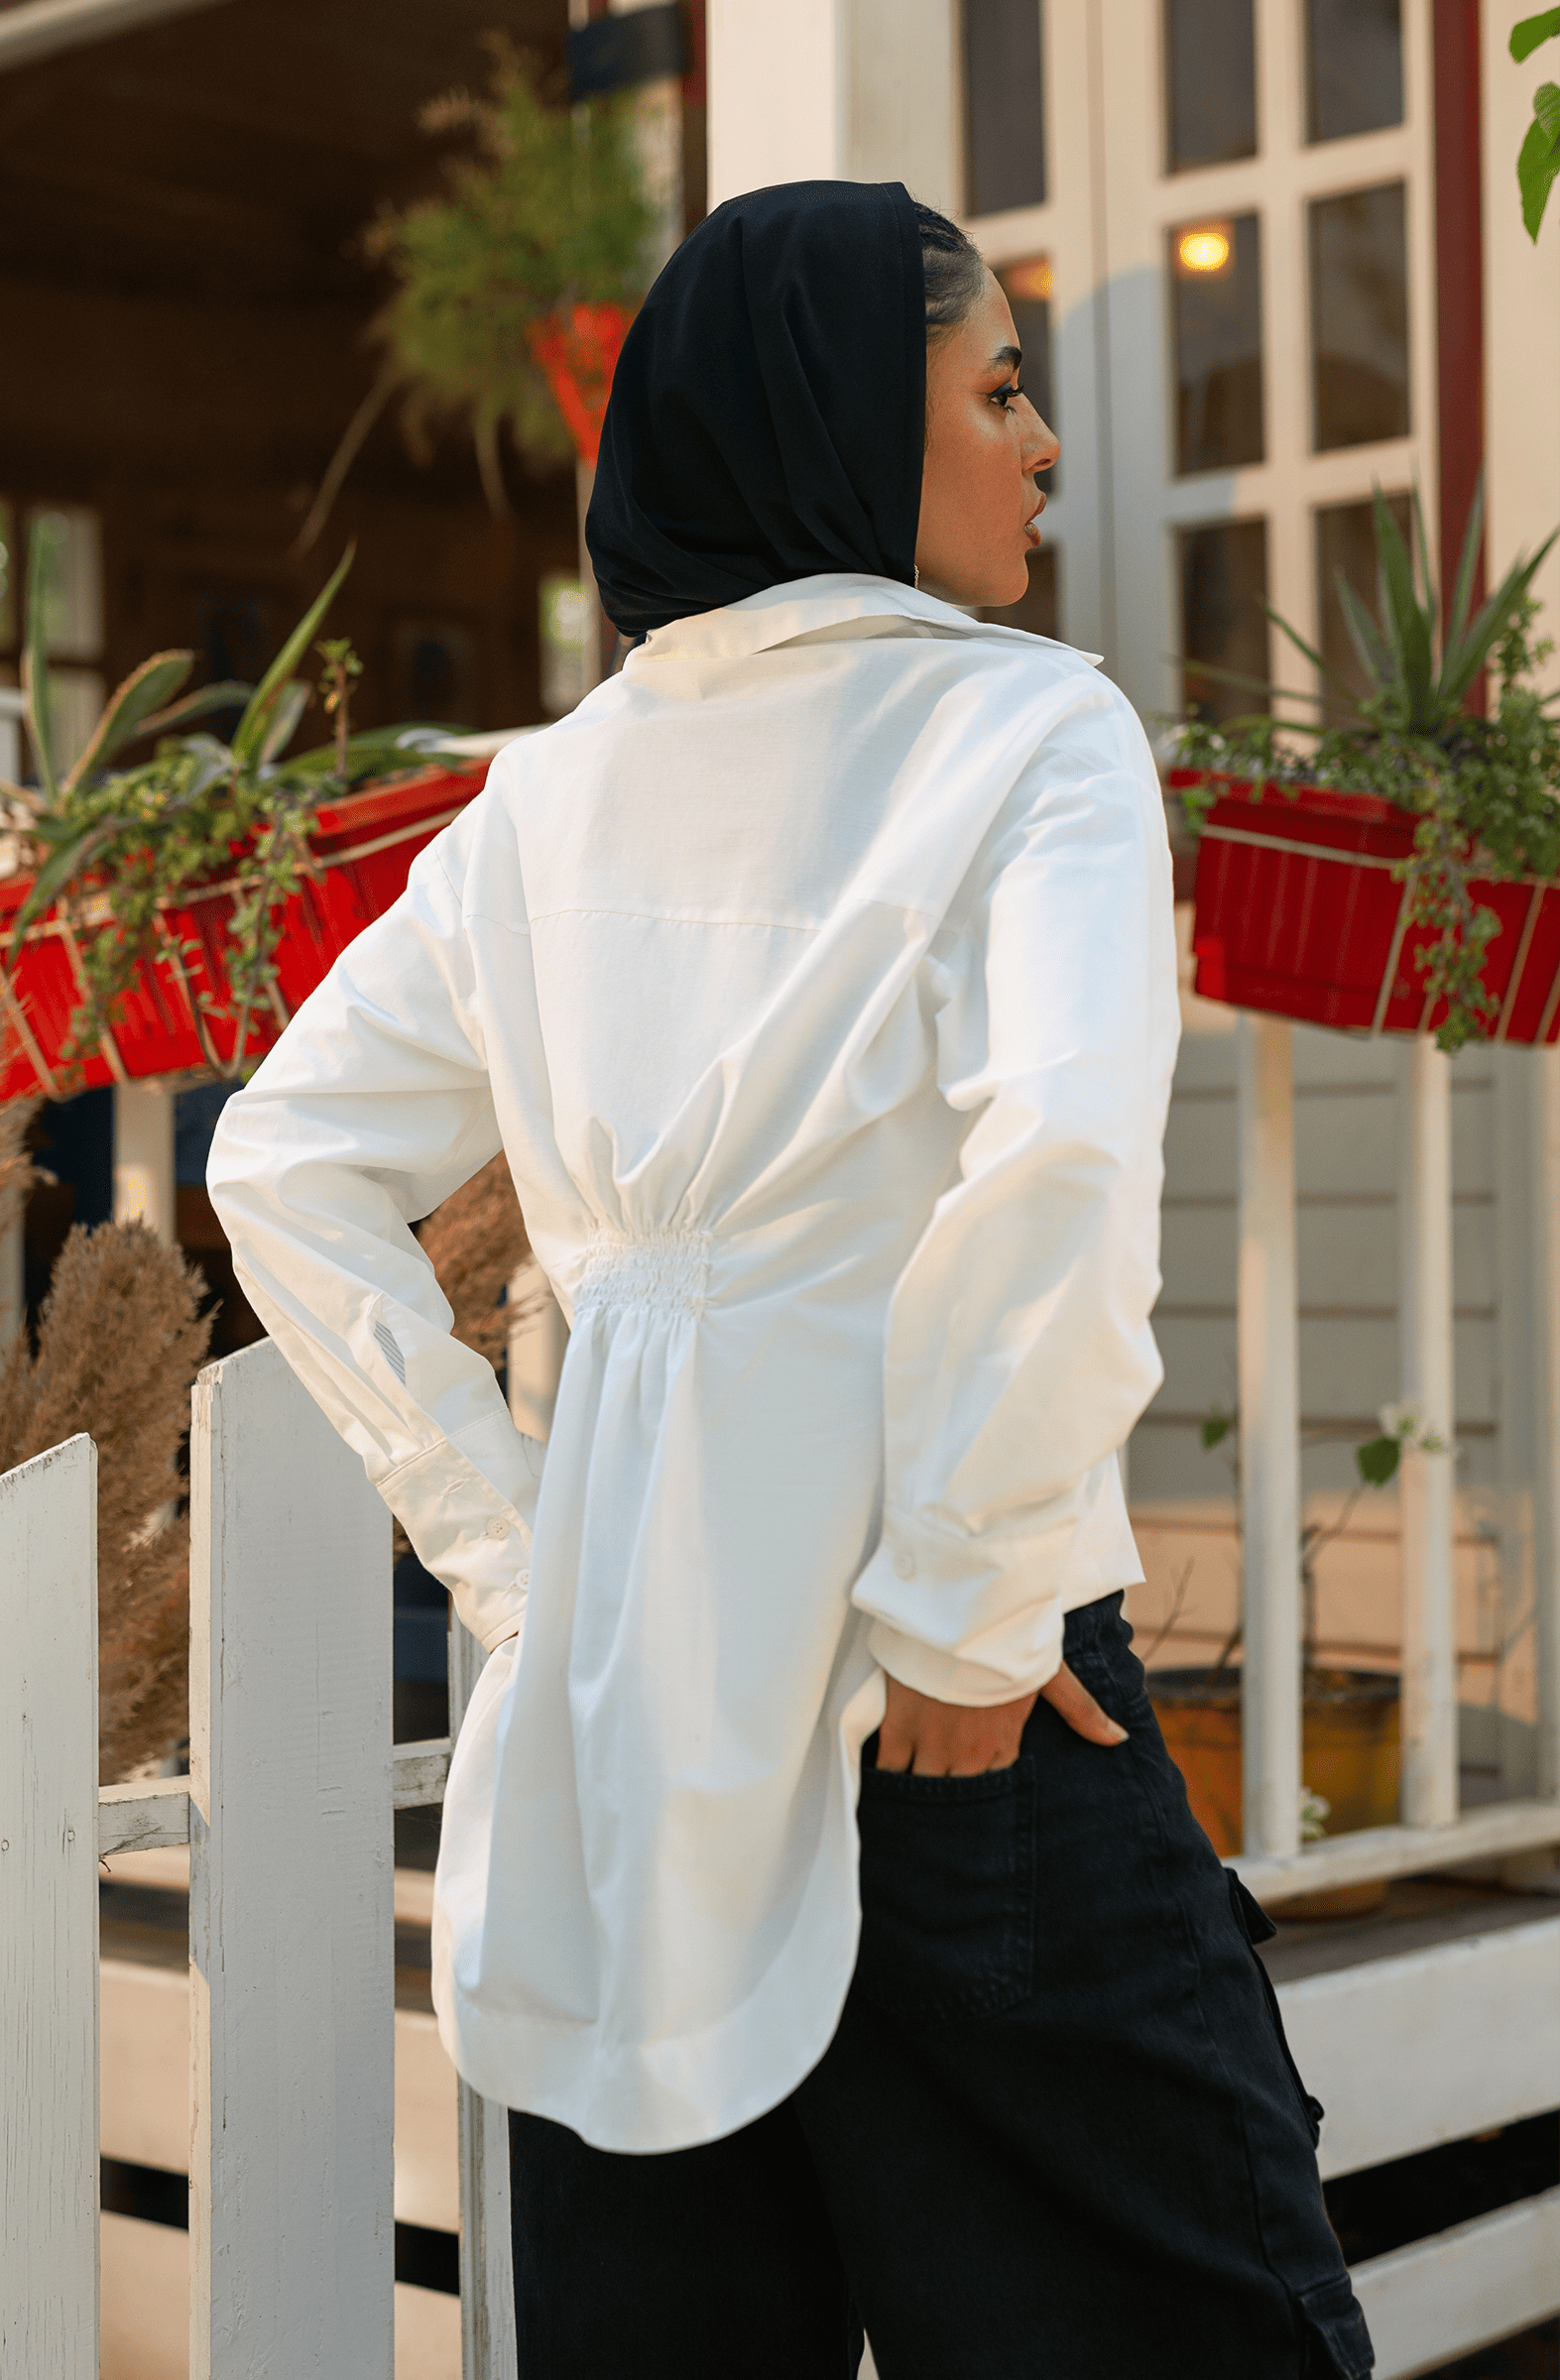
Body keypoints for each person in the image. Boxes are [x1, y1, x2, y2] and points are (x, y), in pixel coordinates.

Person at [208, 181, 1373, 2380]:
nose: (1044, 443)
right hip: (952, 1707)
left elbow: (283, 1164)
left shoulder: (546, 800)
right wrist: (966, 1607)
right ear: (847, 423)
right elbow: (1055, 1163)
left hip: (630, 1714)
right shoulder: (1024, 733)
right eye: (999, 389)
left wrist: (517, 1567)